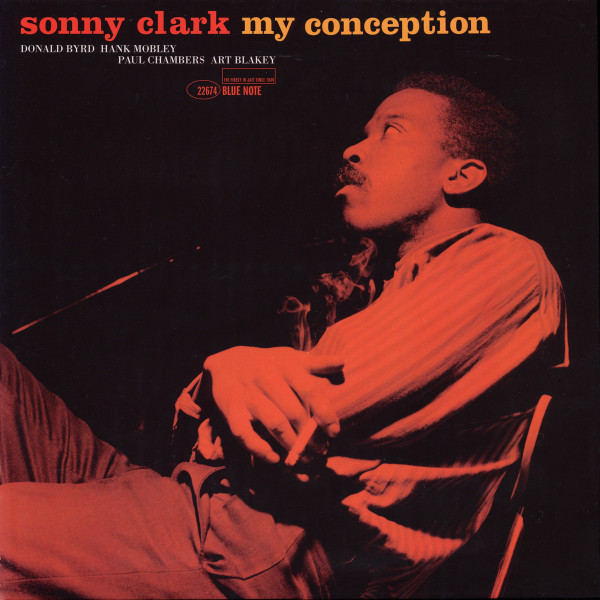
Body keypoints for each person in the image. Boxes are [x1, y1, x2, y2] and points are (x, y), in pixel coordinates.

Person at [0, 73, 568, 599]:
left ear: (462, 175)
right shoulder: (389, 289)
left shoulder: (506, 262)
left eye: (391, 131)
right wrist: (225, 379)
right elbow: (230, 420)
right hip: (199, 500)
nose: (354, 149)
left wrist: (226, 378)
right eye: (364, 132)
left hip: (258, 546)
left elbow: (302, 419)